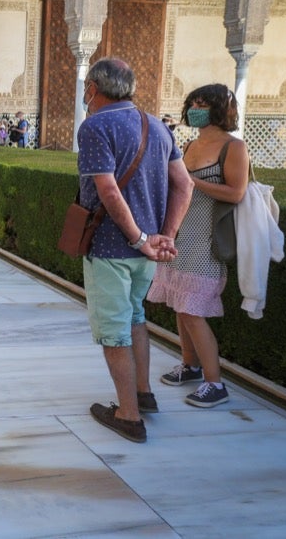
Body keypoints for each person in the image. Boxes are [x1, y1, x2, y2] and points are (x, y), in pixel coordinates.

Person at [78, 58, 193, 443]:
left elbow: (109, 190)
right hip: (147, 251)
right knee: (135, 316)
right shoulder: (156, 125)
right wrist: (165, 236)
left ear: (93, 88)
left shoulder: (96, 125)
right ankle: (143, 394)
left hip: (112, 248)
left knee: (114, 331)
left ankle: (128, 416)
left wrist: (138, 238)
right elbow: (185, 185)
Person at [146, 84, 249, 409]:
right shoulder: (190, 144)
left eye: (202, 105)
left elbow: (236, 192)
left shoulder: (234, 147)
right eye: (193, 104)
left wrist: (192, 182)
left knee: (193, 311)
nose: (194, 109)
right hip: (180, 236)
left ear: (218, 109)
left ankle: (214, 383)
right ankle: (189, 366)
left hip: (206, 240)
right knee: (180, 305)